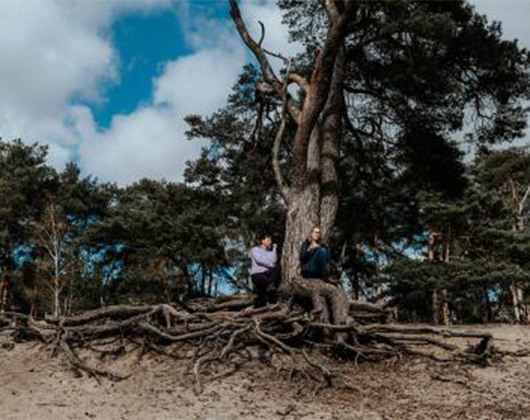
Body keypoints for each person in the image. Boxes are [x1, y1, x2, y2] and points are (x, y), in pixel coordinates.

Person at [250, 233, 278, 307]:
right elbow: (259, 260)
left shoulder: (269, 252)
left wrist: (274, 249)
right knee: (269, 287)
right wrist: (271, 264)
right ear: (262, 240)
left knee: (262, 294)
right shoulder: (255, 249)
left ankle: (263, 307)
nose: (270, 242)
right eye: (268, 240)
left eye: (271, 240)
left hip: (267, 274)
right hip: (257, 275)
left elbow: (274, 260)